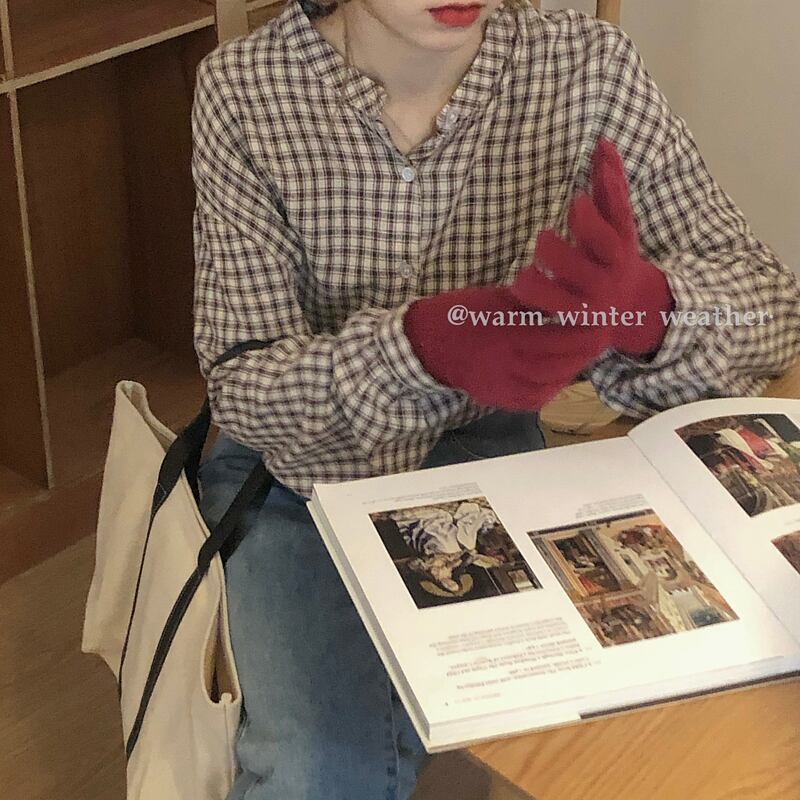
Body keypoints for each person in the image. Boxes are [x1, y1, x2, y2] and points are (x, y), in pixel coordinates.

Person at [191, 1, 800, 798]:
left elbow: (769, 309)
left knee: (636, 751)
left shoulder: (586, 68)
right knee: (324, 770)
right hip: (298, 477)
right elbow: (244, 386)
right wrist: (422, 346)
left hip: (490, 460)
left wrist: (647, 306)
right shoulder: (245, 87)